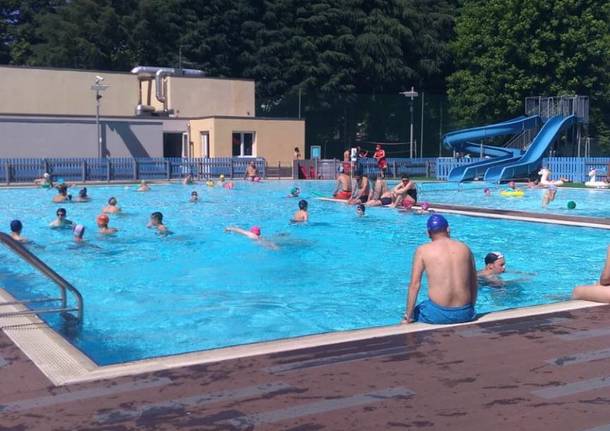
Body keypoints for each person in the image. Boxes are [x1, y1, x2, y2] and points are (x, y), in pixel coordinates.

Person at [401, 214, 477, 324]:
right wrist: (471, 308)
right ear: (448, 229)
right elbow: (473, 282)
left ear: (428, 233)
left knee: (416, 311)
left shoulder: (422, 250)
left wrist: (408, 316)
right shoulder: (465, 248)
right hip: (466, 313)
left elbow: (415, 285)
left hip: (438, 314)